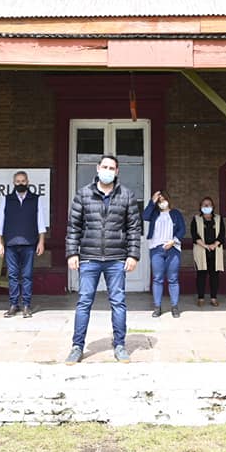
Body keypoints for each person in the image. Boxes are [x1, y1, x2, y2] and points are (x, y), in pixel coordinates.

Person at [64, 155, 142, 365]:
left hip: (116, 259)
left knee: (118, 302)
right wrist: (72, 252)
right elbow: (74, 227)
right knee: (84, 303)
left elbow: (134, 228)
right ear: (98, 168)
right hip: (88, 259)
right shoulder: (83, 194)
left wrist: (133, 255)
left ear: (117, 171)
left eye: (112, 167)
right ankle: (77, 346)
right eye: (104, 166)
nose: (108, 170)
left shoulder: (127, 195)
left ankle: (120, 345)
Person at [0, 170, 47, 318]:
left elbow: (41, 223)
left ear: (28, 182)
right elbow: (0, 223)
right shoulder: (7, 199)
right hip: (10, 243)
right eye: (17, 181)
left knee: (27, 275)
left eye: (23, 181)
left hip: (30, 243)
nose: (20, 184)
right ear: (13, 183)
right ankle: (13, 305)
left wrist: (41, 242)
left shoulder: (36, 199)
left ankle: (26, 305)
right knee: (12, 275)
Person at [142, 190, 186, 318]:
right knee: (157, 278)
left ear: (168, 199)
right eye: (159, 201)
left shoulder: (176, 213)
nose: (162, 202)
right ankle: (157, 307)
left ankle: (174, 307)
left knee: (173, 278)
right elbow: (144, 216)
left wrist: (174, 241)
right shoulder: (154, 213)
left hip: (173, 249)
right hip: (156, 249)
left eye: (163, 199)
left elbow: (182, 229)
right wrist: (152, 201)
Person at [192, 196, 224, 307]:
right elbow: (194, 235)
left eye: (209, 204)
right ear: (200, 207)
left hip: (215, 251)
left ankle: (213, 298)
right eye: (204, 204)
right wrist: (206, 246)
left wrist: (214, 245)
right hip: (201, 250)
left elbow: (222, 235)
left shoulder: (219, 219)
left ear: (213, 206)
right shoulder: (196, 219)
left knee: (214, 276)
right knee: (201, 275)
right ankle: (201, 298)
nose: (207, 206)